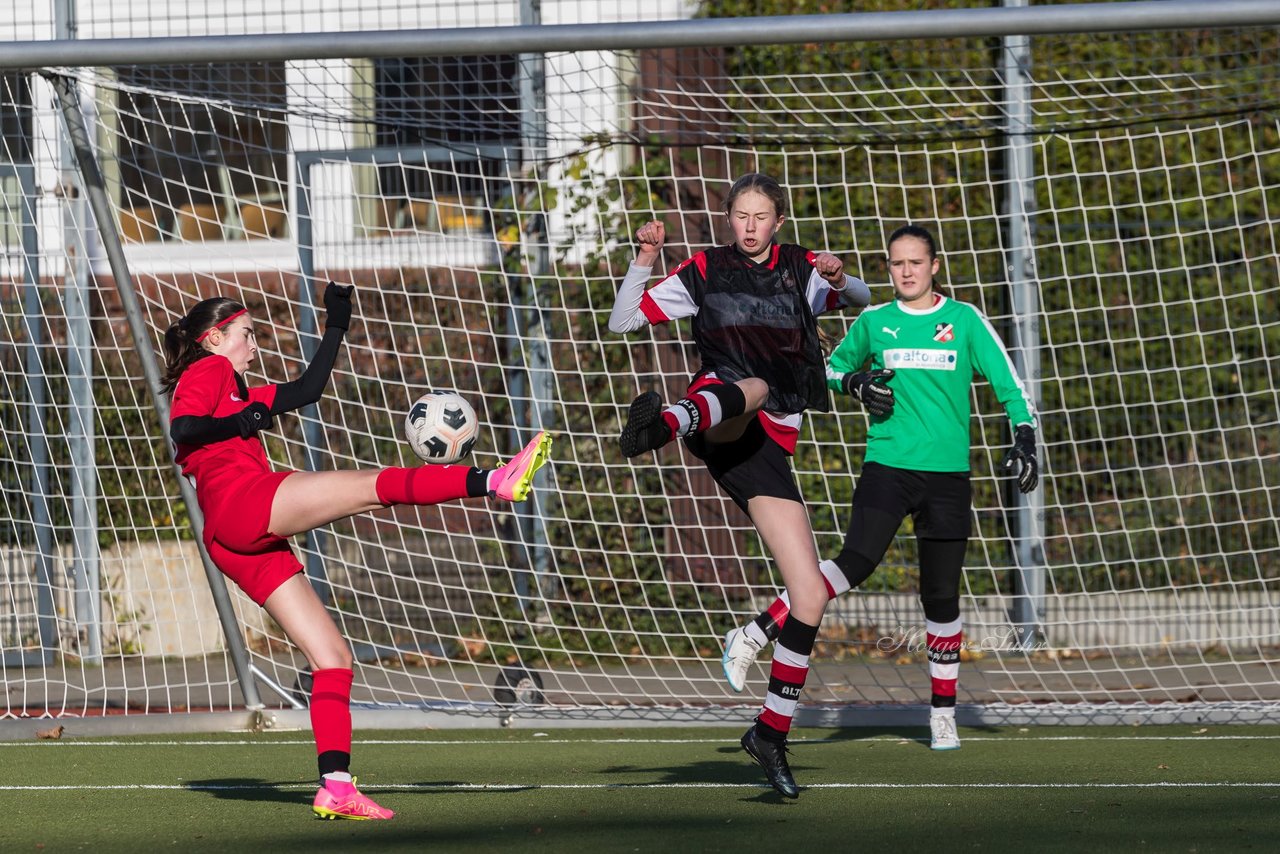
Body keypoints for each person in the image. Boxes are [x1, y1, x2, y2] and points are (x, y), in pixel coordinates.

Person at [161, 282, 552, 820]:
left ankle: (336, 787)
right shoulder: (209, 372)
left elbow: (308, 389)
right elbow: (183, 427)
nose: (254, 346)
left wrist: (336, 324)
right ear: (213, 339)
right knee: (373, 487)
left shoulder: (240, 387)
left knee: (333, 659)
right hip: (242, 504)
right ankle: (493, 481)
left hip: (237, 537)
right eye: (246, 336)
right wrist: (239, 422)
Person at [720, 223, 1039, 752]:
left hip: (948, 475)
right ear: (889, 268)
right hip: (887, 467)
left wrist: (1024, 434)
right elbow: (825, 370)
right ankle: (754, 633)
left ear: (934, 267)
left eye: (916, 262)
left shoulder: (963, 320)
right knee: (856, 561)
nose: (906, 271)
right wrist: (856, 382)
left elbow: (1009, 383)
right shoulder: (875, 321)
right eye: (896, 263)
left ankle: (942, 715)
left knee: (941, 597)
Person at [608, 172, 872, 799]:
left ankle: (770, 733)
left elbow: (860, 298)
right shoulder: (705, 269)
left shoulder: (803, 269)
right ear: (728, 219)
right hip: (717, 416)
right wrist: (644, 259)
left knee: (808, 594)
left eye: (761, 217)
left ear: (778, 222)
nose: (749, 226)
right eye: (740, 216)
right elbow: (624, 319)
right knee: (750, 386)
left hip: (769, 449)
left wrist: (838, 278)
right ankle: (663, 423)